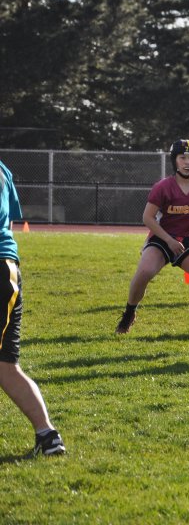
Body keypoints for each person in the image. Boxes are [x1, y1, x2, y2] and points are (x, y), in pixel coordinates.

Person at [115, 140, 189, 335]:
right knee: (144, 272)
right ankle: (129, 313)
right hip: (161, 240)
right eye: (182, 157)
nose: (187, 162)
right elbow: (147, 217)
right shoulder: (163, 187)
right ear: (174, 160)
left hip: (185, 241)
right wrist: (169, 240)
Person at [0, 160, 66, 455]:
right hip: (8, 268)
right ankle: (48, 436)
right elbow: (9, 222)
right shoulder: (3, 169)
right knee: (5, 365)